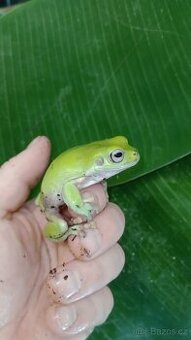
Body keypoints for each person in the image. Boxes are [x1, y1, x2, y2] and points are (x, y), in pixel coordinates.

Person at [0, 136, 125, 339]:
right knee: (61, 224)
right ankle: (66, 230)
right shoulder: (86, 171)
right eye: (118, 155)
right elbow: (68, 188)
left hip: (51, 196)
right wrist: (80, 208)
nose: (129, 154)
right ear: (101, 161)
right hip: (51, 207)